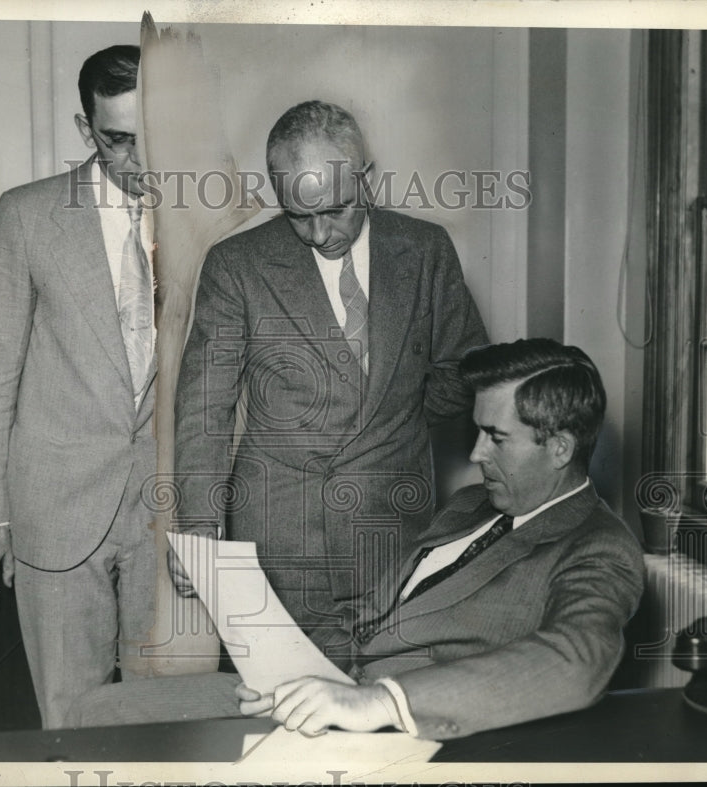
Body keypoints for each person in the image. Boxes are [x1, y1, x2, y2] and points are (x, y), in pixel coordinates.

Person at [68, 338, 645, 740]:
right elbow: (372, 616)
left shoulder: (598, 545)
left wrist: (378, 702)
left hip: (403, 727)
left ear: (561, 446)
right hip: (324, 692)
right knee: (95, 712)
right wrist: (288, 677)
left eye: (496, 437)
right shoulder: (472, 506)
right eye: (476, 433)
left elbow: (579, 658)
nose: (474, 454)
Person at [171, 100, 488, 637]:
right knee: (283, 704)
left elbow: (461, 371)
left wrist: (391, 417)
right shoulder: (236, 265)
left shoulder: (426, 249)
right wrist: (198, 527)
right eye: (299, 215)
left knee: (391, 695)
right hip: (280, 538)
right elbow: (205, 408)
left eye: (335, 210)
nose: (320, 234)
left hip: (394, 529)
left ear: (366, 179)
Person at [0, 45, 158, 728]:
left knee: (174, 723)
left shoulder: (209, 217)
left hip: (172, 512)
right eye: (117, 140)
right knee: (73, 722)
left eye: (153, 135)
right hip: (56, 508)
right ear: (86, 131)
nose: (138, 159)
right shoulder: (26, 215)